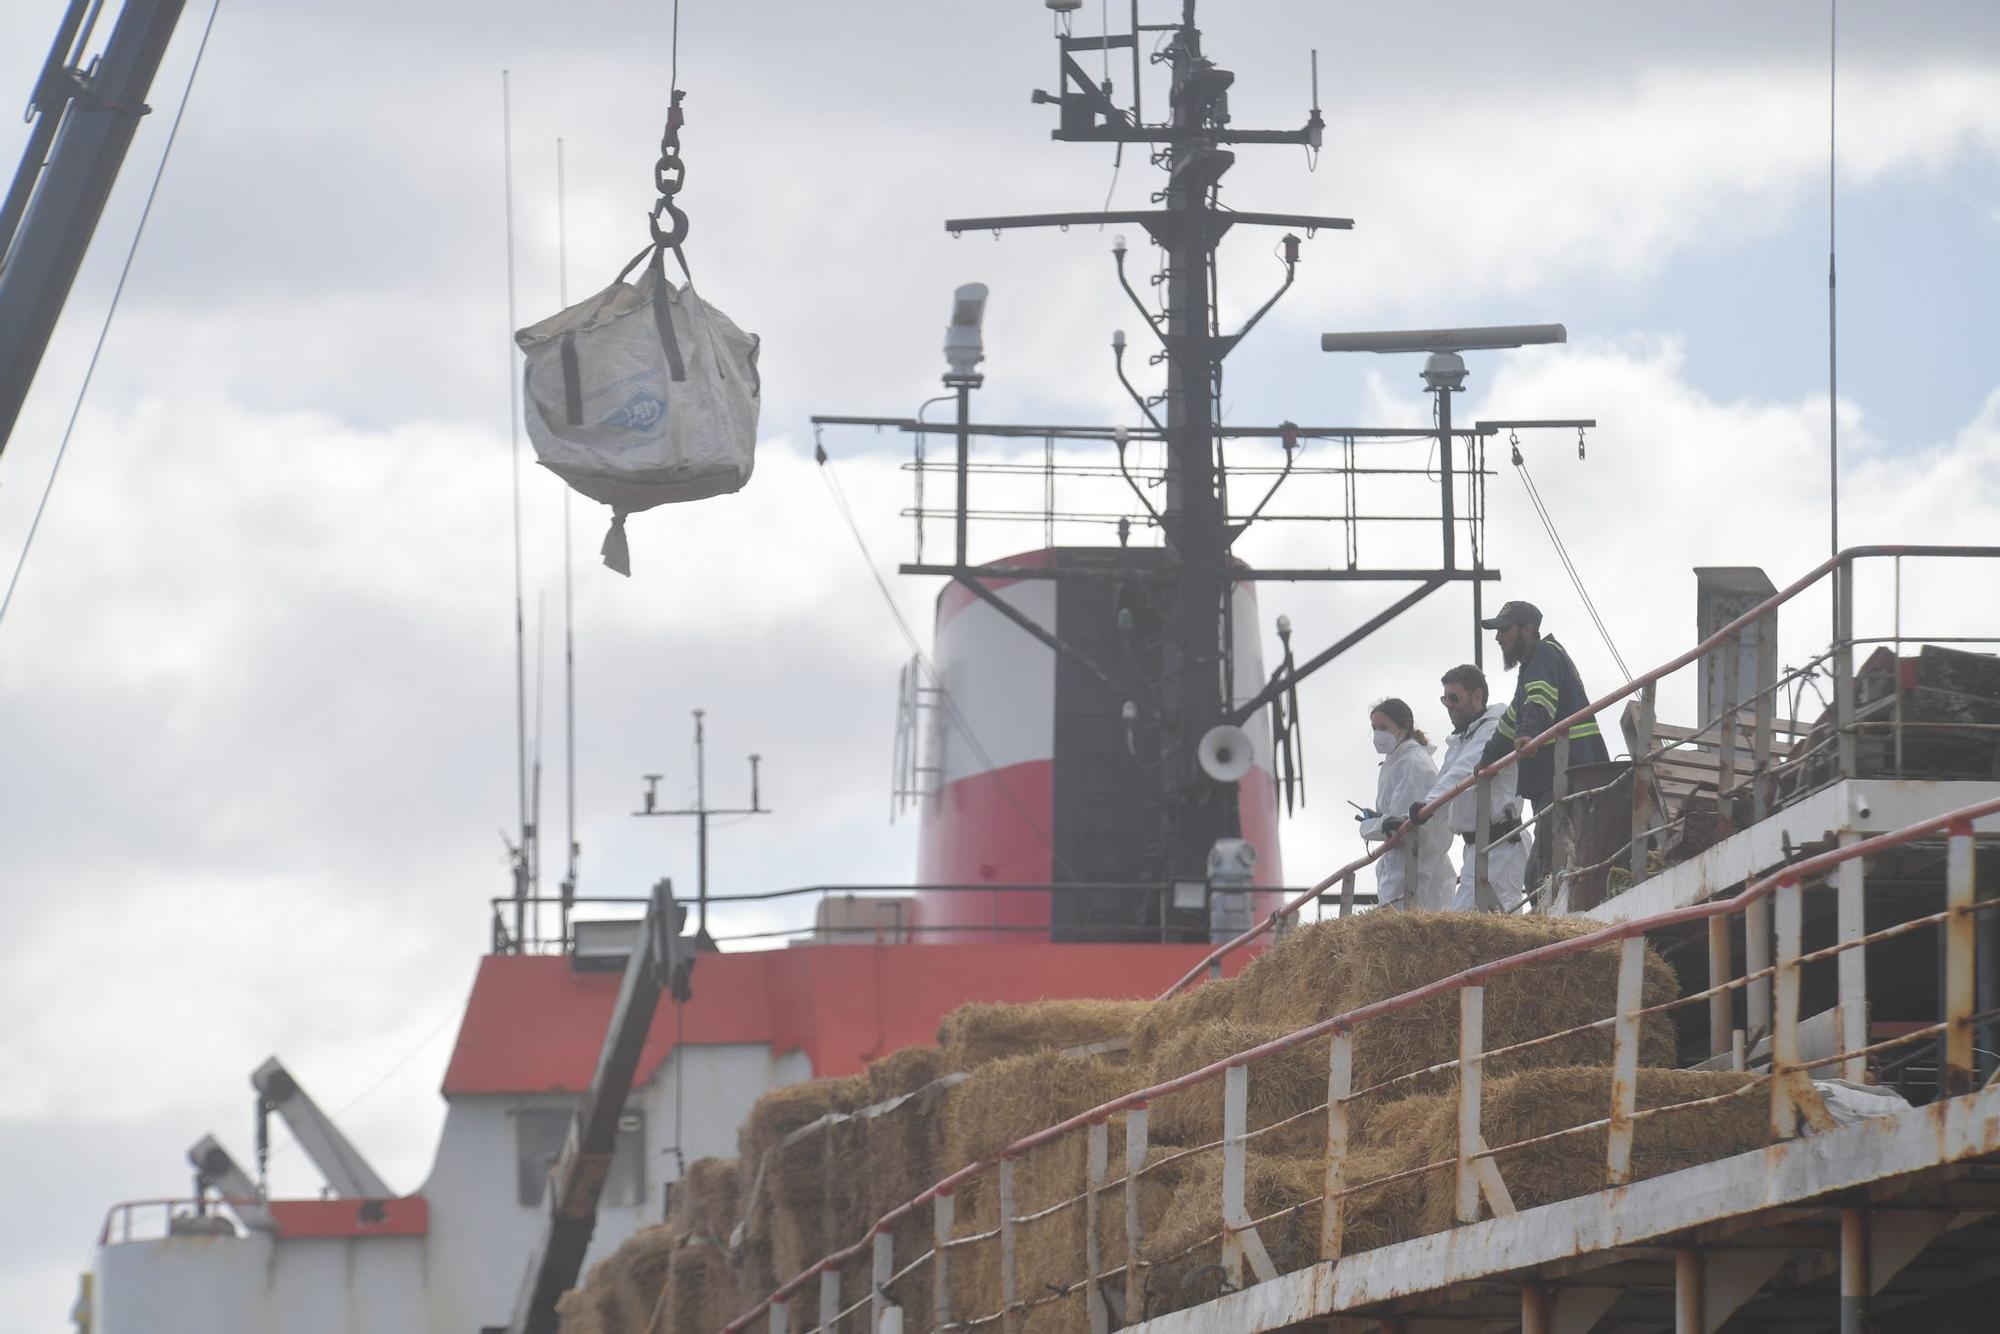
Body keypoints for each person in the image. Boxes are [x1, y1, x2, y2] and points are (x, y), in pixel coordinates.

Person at [1477, 600, 1609, 894]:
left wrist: (1528, 733)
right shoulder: (1535, 664)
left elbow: (1540, 700)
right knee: (1548, 867)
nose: (1498, 638)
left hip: (1567, 773)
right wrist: (1487, 759)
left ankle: (1555, 921)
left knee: (1544, 871)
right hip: (1565, 774)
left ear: (1527, 630)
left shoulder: (1544, 655)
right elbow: (1512, 718)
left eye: (1504, 630)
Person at [1422, 664, 1530, 911]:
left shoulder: (1494, 727)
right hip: (1475, 850)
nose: (1448, 705)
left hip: (1502, 846)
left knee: (1499, 930)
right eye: (1444, 698)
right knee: (1466, 931)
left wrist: (1428, 806)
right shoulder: (1460, 739)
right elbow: (1445, 779)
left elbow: (1465, 769)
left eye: (1454, 697)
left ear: (1477, 696)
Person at [1356, 698, 1455, 911]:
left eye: (1383, 727)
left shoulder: (1413, 763)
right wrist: (1378, 819)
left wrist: (1368, 826)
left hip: (1417, 870)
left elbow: (1399, 823)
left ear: (1404, 726)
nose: (1377, 734)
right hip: (1405, 868)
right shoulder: (1397, 760)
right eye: (1374, 728)